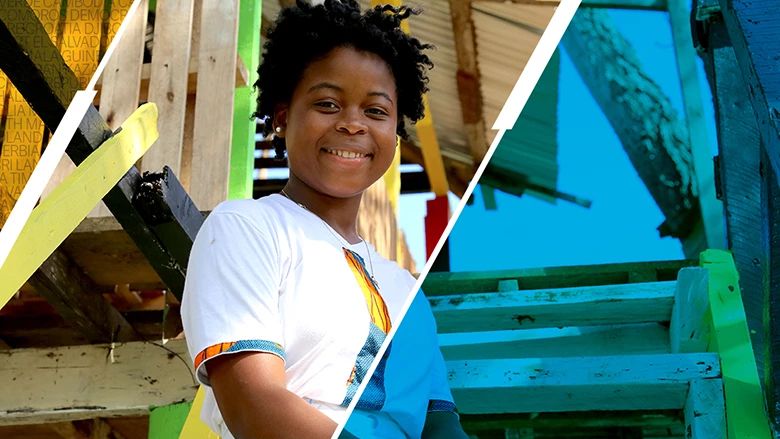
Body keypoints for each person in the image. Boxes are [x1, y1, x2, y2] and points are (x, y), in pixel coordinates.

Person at [180, 1, 469, 438]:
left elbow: (441, 427)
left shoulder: (406, 291)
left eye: (376, 111)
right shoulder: (245, 229)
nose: (353, 124)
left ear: (395, 131)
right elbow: (253, 408)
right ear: (282, 117)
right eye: (328, 104)